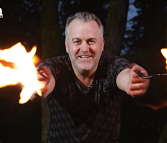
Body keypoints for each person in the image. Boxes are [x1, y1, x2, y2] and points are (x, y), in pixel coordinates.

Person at [32, 11, 150, 143]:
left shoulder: (112, 65)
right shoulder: (55, 66)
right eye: (77, 42)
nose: (85, 49)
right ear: (67, 46)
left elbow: (124, 75)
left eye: (91, 41)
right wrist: (37, 87)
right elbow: (44, 83)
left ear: (102, 44)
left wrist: (133, 81)